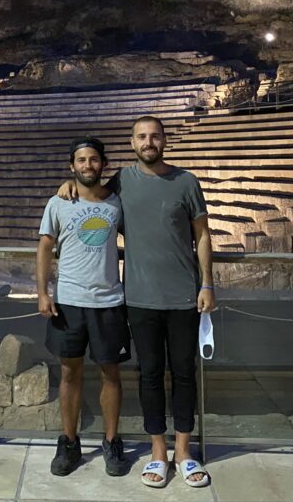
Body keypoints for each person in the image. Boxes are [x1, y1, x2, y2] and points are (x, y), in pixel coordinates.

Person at [59, 115, 214, 488]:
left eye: (155, 136)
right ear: (132, 143)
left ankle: (184, 452)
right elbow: (91, 189)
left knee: (183, 374)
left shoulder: (186, 182)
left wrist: (208, 284)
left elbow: (203, 235)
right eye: (142, 137)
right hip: (139, 298)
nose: (149, 142)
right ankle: (158, 451)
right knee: (148, 374)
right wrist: (68, 184)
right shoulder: (123, 182)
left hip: (183, 296)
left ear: (164, 140)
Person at [37, 136, 130, 478]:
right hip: (69, 301)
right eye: (81, 160)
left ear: (103, 164)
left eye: (94, 159)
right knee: (69, 372)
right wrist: (43, 292)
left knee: (111, 373)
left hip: (108, 301)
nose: (88, 165)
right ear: (72, 166)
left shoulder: (117, 203)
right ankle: (70, 441)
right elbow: (45, 248)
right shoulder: (58, 203)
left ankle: (111, 442)